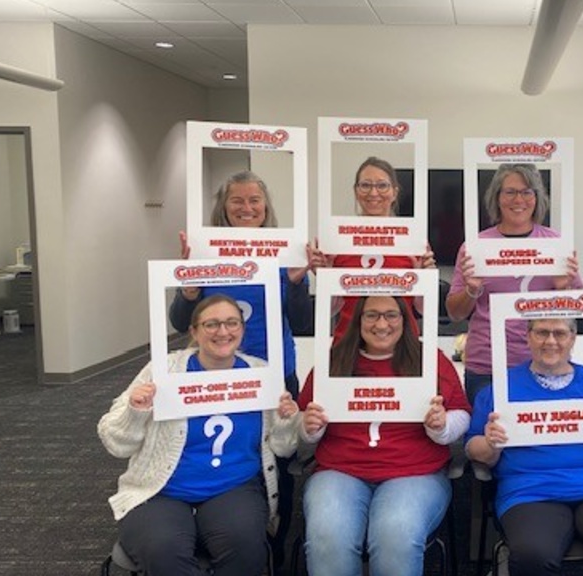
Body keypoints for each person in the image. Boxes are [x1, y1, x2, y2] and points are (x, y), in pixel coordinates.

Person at [170, 170, 319, 566]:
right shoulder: (205, 251)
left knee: (279, 462)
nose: (246, 208)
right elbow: (177, 319)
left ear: (266, 207)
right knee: (221, 454)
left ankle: (273, 550)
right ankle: (220, 532)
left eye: (255, 201)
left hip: (274, 375)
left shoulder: (284, 251)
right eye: (237, 200)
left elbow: (303, 321)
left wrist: (298, 282)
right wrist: (186, 287)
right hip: (216, 375)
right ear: (224, 207)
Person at [98, 294, 301, 576]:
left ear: (242, 329)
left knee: (245, 547)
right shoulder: (163, 370)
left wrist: (288, 420)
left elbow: (284, 447)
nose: (223, 331)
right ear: (193, 331)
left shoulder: (260, 373)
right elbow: (116, 443)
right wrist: (136, 410)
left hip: (234, 486)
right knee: (164, 551)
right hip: (161, 490)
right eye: (211, 324)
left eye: (232, 323)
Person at [298, 295, 471, 576]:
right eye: (371, 315)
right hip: (340, 470)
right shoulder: (333, 360)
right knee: (328, 537)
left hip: (415, 472)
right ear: (358, 320)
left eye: (391, 315)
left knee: (396, 537)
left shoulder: (429, 359)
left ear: (405, 319)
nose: (382, 323)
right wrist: (309, 427)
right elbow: (302, 423)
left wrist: (441, 426)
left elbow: (461, 414)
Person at [466, 317, 583, 576]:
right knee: (533, 554)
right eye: (542, 332)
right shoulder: (501, 388)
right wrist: (490, 444)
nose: (551, 341)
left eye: (560, 333)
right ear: (528, 336)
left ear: (573, 338)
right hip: (531, 490)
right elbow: (473, 448)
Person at [447, 163, 582, 405]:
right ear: (497, 197)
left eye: (527, 191)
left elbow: (581, 310)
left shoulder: (556, 243)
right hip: (487, 365)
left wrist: (563, 288)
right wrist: (471, 290)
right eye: (509, 191)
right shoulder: (475, 247)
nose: (518, 199)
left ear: (537, 198)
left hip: (545, 362)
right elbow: (455, 314)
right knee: (487, 438)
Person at [329, 156, 435, 338]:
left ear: (394, 192)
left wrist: (425, 279)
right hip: (348, 344)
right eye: (365, 185)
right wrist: (326, 275)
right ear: (356, 191)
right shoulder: (338, 238)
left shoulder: (413, 238)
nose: (373, 193)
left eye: (382, 185)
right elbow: (330, 310)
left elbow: (423, 309)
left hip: (401, 346)